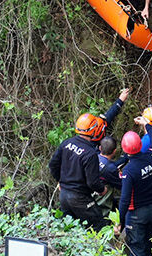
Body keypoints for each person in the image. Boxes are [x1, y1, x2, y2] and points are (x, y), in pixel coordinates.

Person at [49, 88, 131, 228]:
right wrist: (102, 190)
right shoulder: (90, 153)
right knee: (98, 225)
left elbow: (52, 165)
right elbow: (93, 181)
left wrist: (61, 181)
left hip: (64, 196)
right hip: (79, 197)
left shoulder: (67, 143)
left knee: (70, 226)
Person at [117, 92, 152, 256]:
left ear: (125, 150)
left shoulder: (129, 171)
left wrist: (119, 221)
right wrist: (148, 122)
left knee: (137, 248)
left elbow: (124, 199)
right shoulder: (151, 155)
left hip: (137, 214)